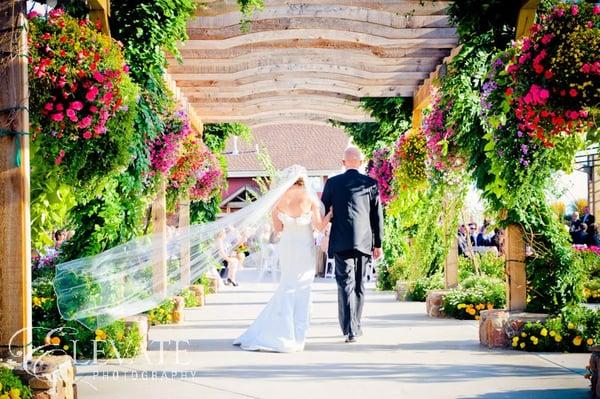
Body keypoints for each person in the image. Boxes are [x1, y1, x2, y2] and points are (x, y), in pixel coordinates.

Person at [234, 173, 332, 352]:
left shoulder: (279, 199)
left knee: (287, 285)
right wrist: (330, 215)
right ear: (303, 181)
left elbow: (278, 229)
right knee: (303, 287)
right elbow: (318, 227)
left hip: (287, 246)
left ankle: (282, 331)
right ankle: (297, 335)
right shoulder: (309, 198)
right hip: (304, 247)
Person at [321, 146, 384, 343]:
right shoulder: (370, 183)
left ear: (343, 163)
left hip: (340, 240)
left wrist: (330, 223)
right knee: (359, 284)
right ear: (361, 162)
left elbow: (324, 212)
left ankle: (349, 329)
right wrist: (378, 243)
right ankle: (355, 326)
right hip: (364, 242)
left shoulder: (332, 183)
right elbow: (377, 216)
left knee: (344, 284)